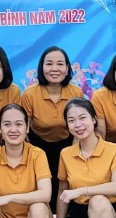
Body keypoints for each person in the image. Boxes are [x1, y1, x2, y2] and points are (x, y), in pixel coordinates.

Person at [20, 45, 83, 183]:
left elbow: (80, 128)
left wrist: (72, 155)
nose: (54, 69)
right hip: (37, 146)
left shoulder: (76, 92)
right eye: (49, 64)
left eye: (60, 64)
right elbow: (23, 130)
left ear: (67, 68)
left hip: (69, 144)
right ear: (41, 67)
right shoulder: (29, 94)